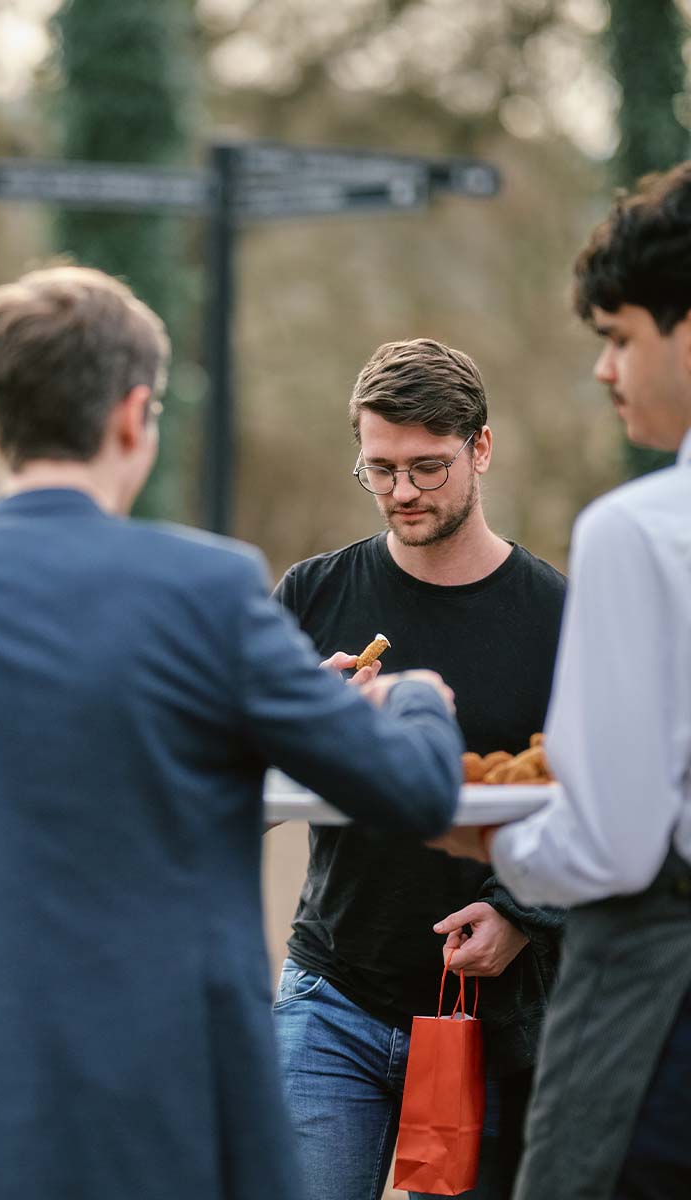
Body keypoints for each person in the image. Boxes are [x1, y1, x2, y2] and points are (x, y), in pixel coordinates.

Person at [0, 265, 465, 1200]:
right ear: (132, 417)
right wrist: (414, 700)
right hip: (168, 1114)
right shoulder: (208, 592)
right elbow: (412, 790)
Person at [436, 164, 691, 1199]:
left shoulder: (641, 531)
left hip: (657, 1010)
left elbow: (613, 843)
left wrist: (481, 839)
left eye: (619, 336)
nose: (603, 368)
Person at [270, 338, 567, 1200]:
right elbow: (229, 793)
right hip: (330, 995)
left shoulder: (559, 615)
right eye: (380, 469)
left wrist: (523, 917)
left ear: (481, 448)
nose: (401, 491)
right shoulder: (312, 595)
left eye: (427, 467)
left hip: (496, 1015)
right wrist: (306, 725)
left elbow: (599, 802)